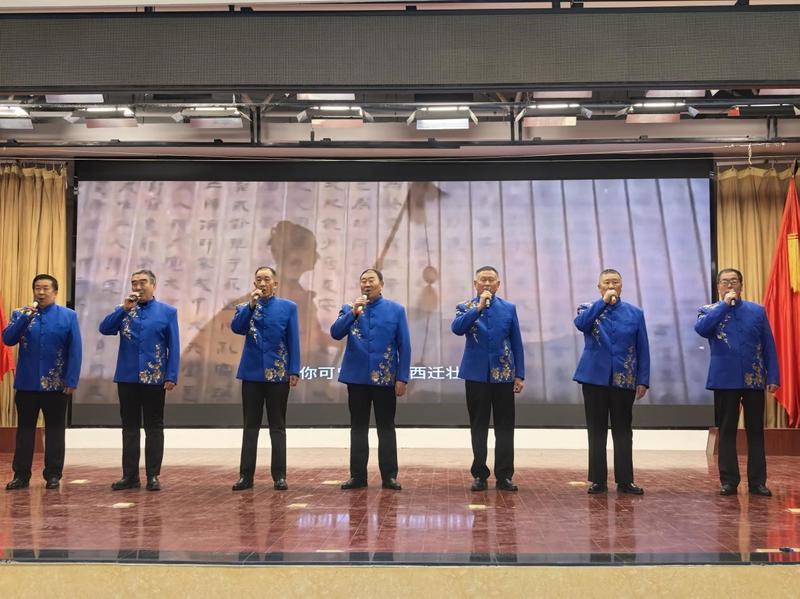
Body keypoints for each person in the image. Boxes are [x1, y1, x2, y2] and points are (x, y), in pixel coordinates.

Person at [694, 268, 779, 497]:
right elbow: (702, 330)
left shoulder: (757, 311)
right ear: (718, 286)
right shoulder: (708, 311)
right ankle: (729, 481)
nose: (729, 285)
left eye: (734, 281)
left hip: (753, 379)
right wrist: (724, 305)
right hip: (724, 380)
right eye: (724, 282)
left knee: (755, 431)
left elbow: (768, 345)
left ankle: (757, 482)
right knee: (727, 431)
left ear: (741, 285)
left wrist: (772, 376)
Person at [99, 269, 179, 492]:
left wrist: (171, 375)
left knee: (154, 428)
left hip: (155, 378)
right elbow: (104, 329)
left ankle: (153, 475)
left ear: (153, 285)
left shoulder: (167, 312)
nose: (138, 287)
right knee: (130, 428)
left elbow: (174, 346)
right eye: (134, 283)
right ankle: (130, 476)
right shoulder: (124, 310)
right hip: (127, 377)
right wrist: (123, 309)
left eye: (143, 282)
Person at [330, 268, 410, 490]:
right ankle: (357, 476)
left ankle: (389, 476)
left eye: (371, 280)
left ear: (381, 284)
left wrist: (402, 377)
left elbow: (404, 345)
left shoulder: (396, 310)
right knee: (358, 428)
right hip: (356, 379)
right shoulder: (349, 308)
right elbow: (336, 333)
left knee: (386, 428)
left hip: (385, 378)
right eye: (363, 281)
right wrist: (353, 313)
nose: (367, 284)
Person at [573, 269, 649, 495]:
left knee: (623, 430)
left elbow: (643, 348)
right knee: (596, 430)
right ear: (599, 287)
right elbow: (581, 324)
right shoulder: (588, 308)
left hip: (624, 378)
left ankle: (625, 480)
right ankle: (598, 480)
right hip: (594, 378)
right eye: (606, 283)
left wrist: (643, 379)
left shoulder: (635, 313)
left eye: (615, 282)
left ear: (621, 286)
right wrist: (603, 303)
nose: (611, 286)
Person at [3, 274, 82, 491]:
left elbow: (75, 351)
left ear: (55, 292)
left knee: (55, 431)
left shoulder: (68, 316)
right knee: (25, 431)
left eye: (46, 288)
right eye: (37, 288)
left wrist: (71, 379)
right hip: (27, 384)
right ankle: (21, 475)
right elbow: (8, 339)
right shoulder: (21, 313)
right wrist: (24, 319)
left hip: (56, 385)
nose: (41, 292)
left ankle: (53, 475)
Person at [451, 266, 525, 492]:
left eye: (491, 280)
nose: (486, 283)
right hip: (476, 375)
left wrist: (519, 374)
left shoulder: (509, 308)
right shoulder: (465, 307)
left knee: (505, 427)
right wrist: (479, 308)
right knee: (478, 426)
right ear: (475, 284)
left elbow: (516, 342)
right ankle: (479, 474)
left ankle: (504, 475)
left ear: (498, 284)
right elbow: (457, 328)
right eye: (482, 280)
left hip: (504, 375)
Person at [230, 266, 300, 491]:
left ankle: (279, 476)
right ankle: (245, 476)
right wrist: (251, 306)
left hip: (278, 374)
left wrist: (294, 370)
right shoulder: (244, 308)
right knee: (250, 426)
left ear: (275, 284)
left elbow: (293, 340)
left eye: (267, 279)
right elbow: (237, 328)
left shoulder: (288, 307)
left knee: (277, 426)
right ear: (254, 284)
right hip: (251, 374)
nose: (262, 283)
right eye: (258, 279)